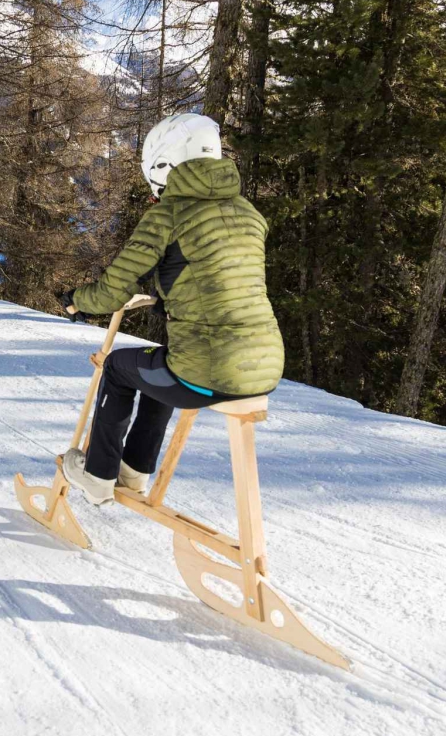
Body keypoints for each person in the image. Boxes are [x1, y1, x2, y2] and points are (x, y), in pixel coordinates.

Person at [57, 113, 285, 504]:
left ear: (164, 165)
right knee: (163, 362)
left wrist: (79, 301)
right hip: (266, 368)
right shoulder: (248, 213)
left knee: (117, 367)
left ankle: (97, 475)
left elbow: (114, 288)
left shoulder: (169, 214)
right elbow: (217, 279)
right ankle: (133, 472)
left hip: (209, 370)